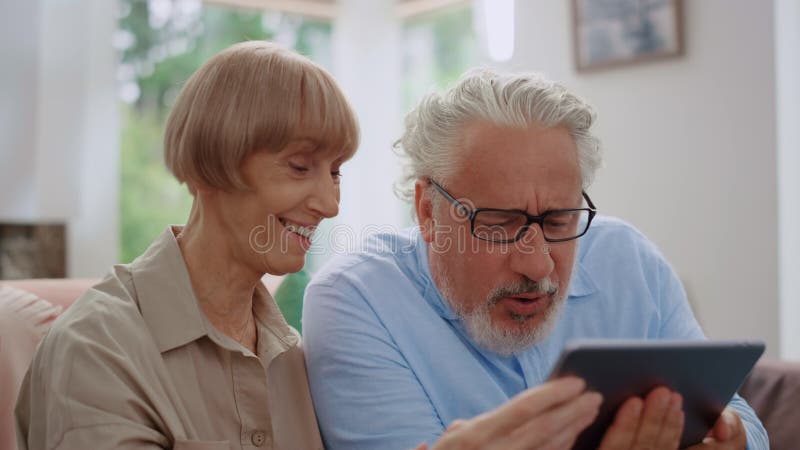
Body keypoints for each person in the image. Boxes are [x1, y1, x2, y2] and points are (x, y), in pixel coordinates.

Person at [302, 68, 768, 449]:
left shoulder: (628, 261)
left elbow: (741, 419)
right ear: (428, 210)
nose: (538, 266)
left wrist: (729, 436)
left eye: (559, 220)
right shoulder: (356, 300)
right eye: (500, 223)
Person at [16, 41, 359, 449]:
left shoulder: (289, 356)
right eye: (300, 167)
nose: (330, 204)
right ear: (211, 164)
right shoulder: (96, 350)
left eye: (335, 172)